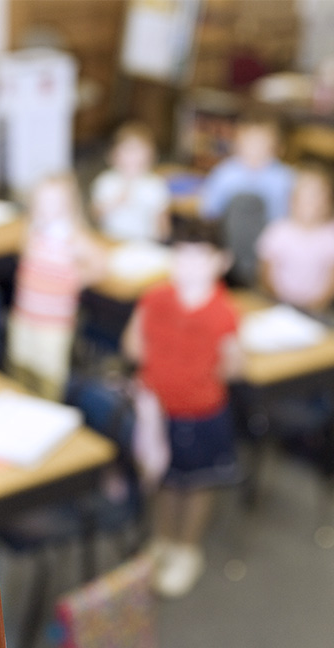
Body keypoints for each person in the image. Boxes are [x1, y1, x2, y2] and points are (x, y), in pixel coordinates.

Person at [122, 217, 243, 598]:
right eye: (181, 256)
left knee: (197, 483)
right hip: (158, 413)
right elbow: (133, 346)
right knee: (164, 479)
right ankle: (163, 540)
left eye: (198, 258)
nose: (187, 265)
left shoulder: (224, 313)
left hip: (202, 414)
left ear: (221, 262)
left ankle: (187, 548)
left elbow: (234, 365)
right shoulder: (154, 298)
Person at [6, 173, 104, 400]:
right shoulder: (32, 230)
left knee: (48, 380)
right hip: (24, 317)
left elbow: (101, 263)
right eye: (42, 203)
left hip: (54, 325)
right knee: (20, 370)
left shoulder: (72, 237)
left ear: (69, 206)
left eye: (54, 204)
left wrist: (76, 278)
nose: (46, 209)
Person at [257, 162, 334, 312]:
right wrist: (279, 300)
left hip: (318, 310)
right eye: (305, 197)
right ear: (292, 200)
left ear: (328, 202)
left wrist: (318, 305)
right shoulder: (277, 231)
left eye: (316, 198)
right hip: (279, 305)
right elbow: (265, 273)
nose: (310, 204)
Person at [200, 113, 295, 224]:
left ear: (276, 147)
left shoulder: (285, 178)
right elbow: (209, 208)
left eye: (261, 144)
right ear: (237, 145)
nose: (255, 150)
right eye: (249, 143)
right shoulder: (225, 173)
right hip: (230, 232)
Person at [90, 122, 171, 243]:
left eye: (139, 152)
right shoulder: (106, 181)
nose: (133, 158)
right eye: (128, 151)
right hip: (110, 239)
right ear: (114, 155)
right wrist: (114, 203)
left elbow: (163, 222)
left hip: (143, 242)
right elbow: (95, 215)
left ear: (150, 158)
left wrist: (162, 241)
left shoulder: (155, 184)